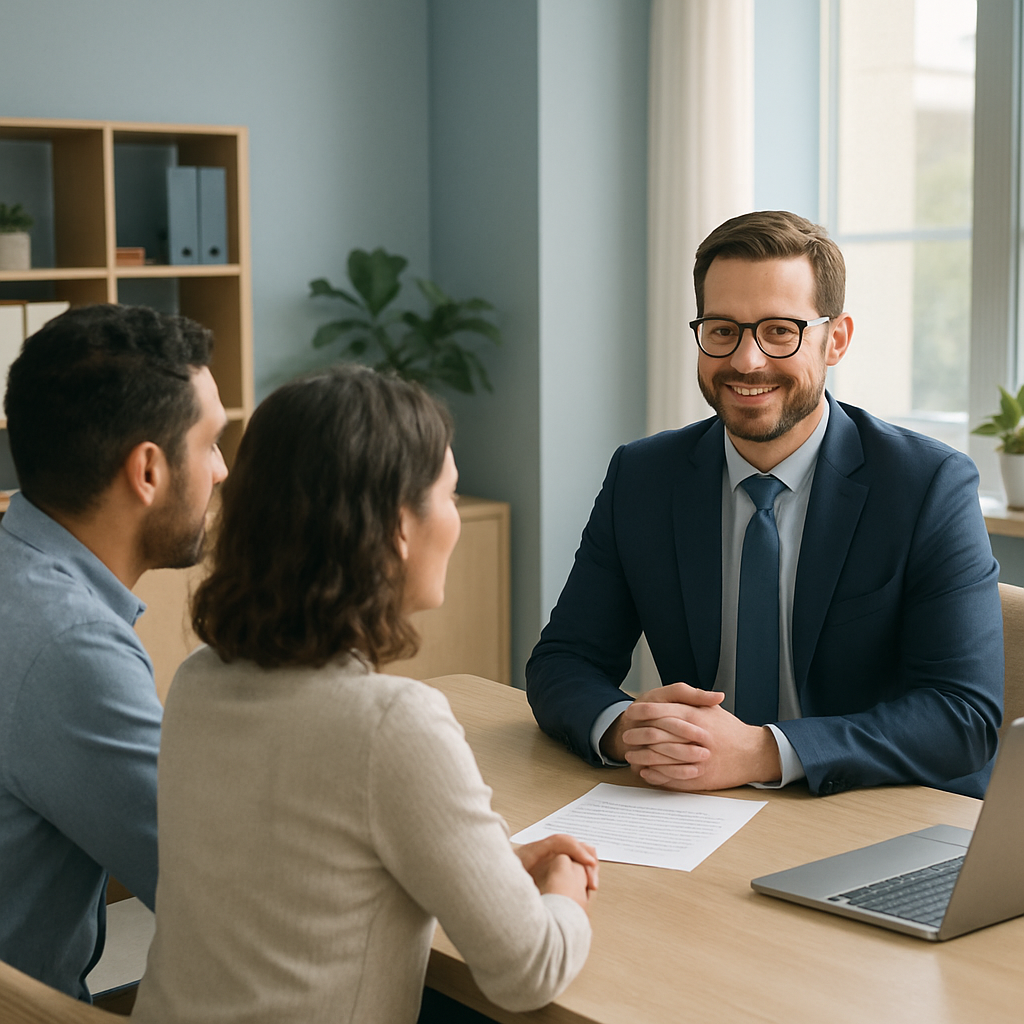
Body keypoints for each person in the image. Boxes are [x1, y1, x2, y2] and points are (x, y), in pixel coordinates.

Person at [131, 365, 597, 1024]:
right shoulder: (392, 724)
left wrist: (492, 864)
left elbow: (303, 867)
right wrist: (566, 887)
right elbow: (530, 969)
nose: (456, 520)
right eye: (449, 495)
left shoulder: (198, 680)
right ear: (398, 528)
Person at [527, 210, 1003, 800]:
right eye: (722, 330)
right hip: (698, 806)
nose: (746, 361)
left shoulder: (927, 485)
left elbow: (962, 716)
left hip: (868, 808)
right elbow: (563, 660)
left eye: (780, 331)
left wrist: (763, 751)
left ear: (836, 340)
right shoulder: (643, 477)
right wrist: (628, 729)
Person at [0, 303, 228, 1000]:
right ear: (148, 470)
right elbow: (219, 889)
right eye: (211, 444)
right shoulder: (69, 643)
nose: (222, 470)